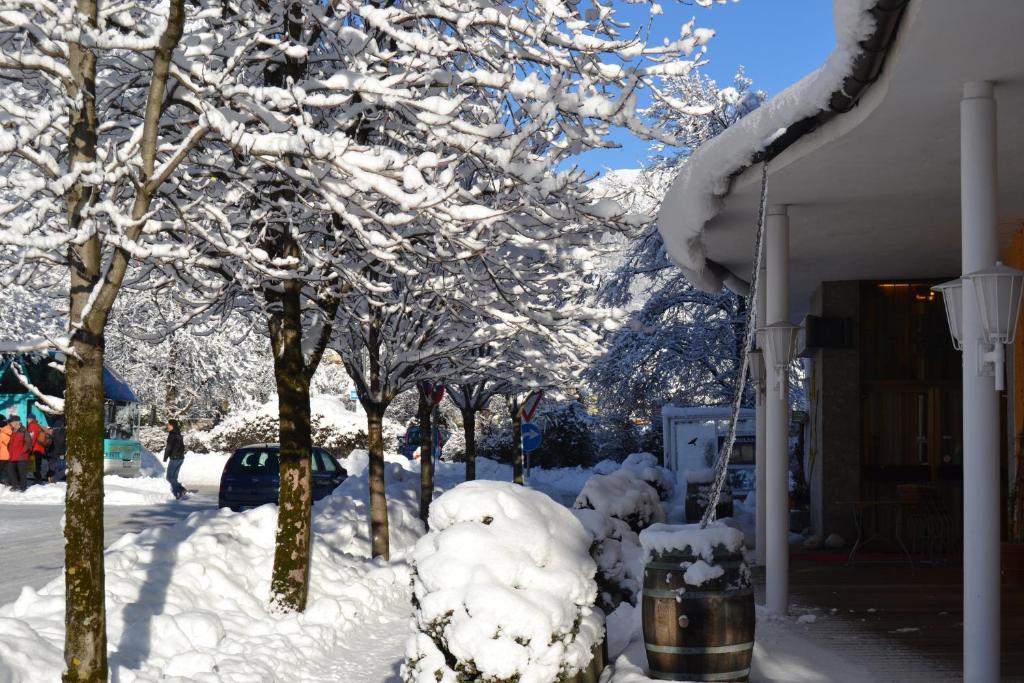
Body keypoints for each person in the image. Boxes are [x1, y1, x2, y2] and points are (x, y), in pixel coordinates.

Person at [5, 415, 33, 492]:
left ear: (17, 422)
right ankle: (15, 485)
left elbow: (29, 443)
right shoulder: (13, 431)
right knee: (10, 470)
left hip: (22, 456)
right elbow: (10, 444)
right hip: (12, 455)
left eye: (11, 422)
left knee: (22, 472)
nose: (10, 424)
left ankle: (23, 487)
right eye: (10, 423)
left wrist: (23, 452)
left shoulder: (24, 431)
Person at [163, 419, 186, 499]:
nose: (167, 426)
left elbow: (168, 447)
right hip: (180, 458)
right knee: (174, 477)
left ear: (172, 426)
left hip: (175, 458)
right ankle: (181, 490)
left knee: (169, 477)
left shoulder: (172, 435)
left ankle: (178, 492)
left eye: (168, 425)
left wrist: (165, 457)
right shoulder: (178, 433)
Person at [26, 415, 51, 484]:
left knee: (35, 466)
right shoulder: (37, 425)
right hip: (40, 448)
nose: (27, 420)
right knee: (36, 465)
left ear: (31, 419)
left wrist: (29, 447)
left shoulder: (32, 425)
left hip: (35, 449)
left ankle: (38, 480)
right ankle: (38, 479)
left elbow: (32, 438)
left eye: (28, 419)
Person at [45, 416, 66, 483]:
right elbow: (61, 442)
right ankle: (52, 478)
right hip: (58, 451)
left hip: (52, 451)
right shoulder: (62, 431)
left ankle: (50, 476)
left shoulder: (52, 430)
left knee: (53, 464)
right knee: (59, 466)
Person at [0, 414, 10, 487]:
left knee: (2, 470)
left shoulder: (2, 433)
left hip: (2, 455)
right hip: (9, 455)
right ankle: (6, 482)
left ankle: (3, 483)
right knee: (6, 470)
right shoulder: (10, 430)